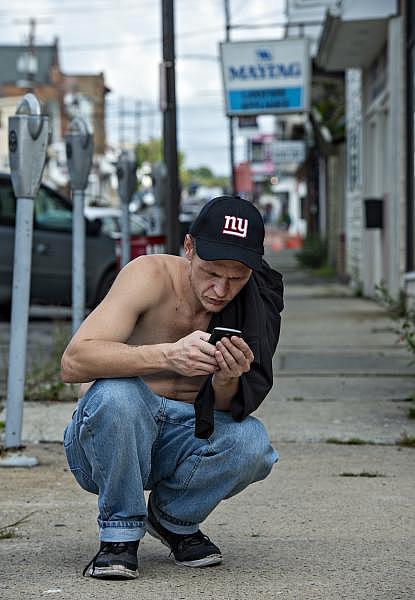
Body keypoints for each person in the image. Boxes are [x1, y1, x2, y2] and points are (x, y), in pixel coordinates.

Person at [61, 195, 284, 580]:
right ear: (189, 247)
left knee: (253, 443)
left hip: (183, 437)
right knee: (120, 395)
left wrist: (226, 379)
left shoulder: (254, 299)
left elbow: (227, 409)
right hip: (104, 444)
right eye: (211, 271)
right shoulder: (148, 276)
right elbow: (73, 362)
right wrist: (167, 356)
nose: (220, 289)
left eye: (236, 277)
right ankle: (119, 533)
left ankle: (172, 520)